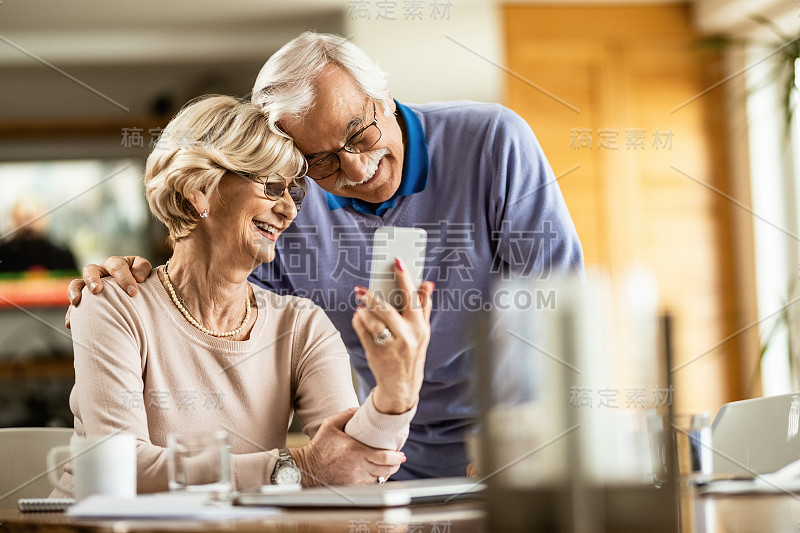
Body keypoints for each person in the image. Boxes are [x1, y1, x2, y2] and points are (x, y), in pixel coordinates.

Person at [68, 32, 584, 479]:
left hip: (513, 441)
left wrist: (528, 431)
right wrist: (129, 284)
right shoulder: (293, 203)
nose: (356, 170)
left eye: (360, 134)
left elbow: (560, 301)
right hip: (392, 452)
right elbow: (220, 310)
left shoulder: (492, 142)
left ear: (383, 94)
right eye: (320, 162)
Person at [57, 94, 433, 494]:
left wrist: (395, 395)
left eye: (295, 192)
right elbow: (120, 468)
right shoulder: (112, 304)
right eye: (272, 187)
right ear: (199, 190)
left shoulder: (301, 324)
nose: (289, 209)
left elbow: (352, 461)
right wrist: (296, 469)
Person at [0, 198, 77, 273]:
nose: (27, 225)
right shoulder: (4, 256)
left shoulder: (61, 255)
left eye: (31, 218)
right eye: (21, 219)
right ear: (13, 221)